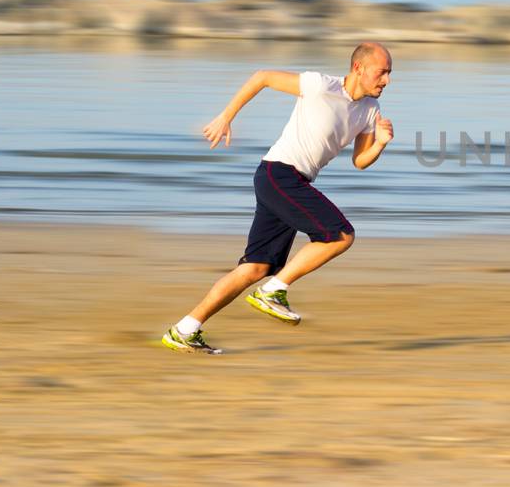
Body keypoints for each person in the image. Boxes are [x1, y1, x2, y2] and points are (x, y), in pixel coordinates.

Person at [160, 42, 394, 353]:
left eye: (390, 74)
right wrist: (226, 117)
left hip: (288, 182)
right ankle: (273, 291)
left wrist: (379, 144)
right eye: (382, 72)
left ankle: (184, 329)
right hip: (279, 174)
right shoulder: (320, 85)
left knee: (255, 268)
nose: (387, 80)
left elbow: (360, 161)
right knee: (340, 235)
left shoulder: (370, 111)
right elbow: (263, 77)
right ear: (358, 68)